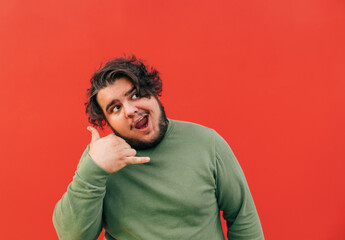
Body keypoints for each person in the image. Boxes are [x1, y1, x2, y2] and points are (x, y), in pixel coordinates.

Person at [53, 55, 264, 240]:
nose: (129, 110)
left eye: (135, 95)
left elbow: (242, 216)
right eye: (115, 108)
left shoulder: (208, 143)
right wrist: (94, 169)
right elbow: (72, 236)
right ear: (108, 122)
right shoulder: (100, 158)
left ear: (153, 92)